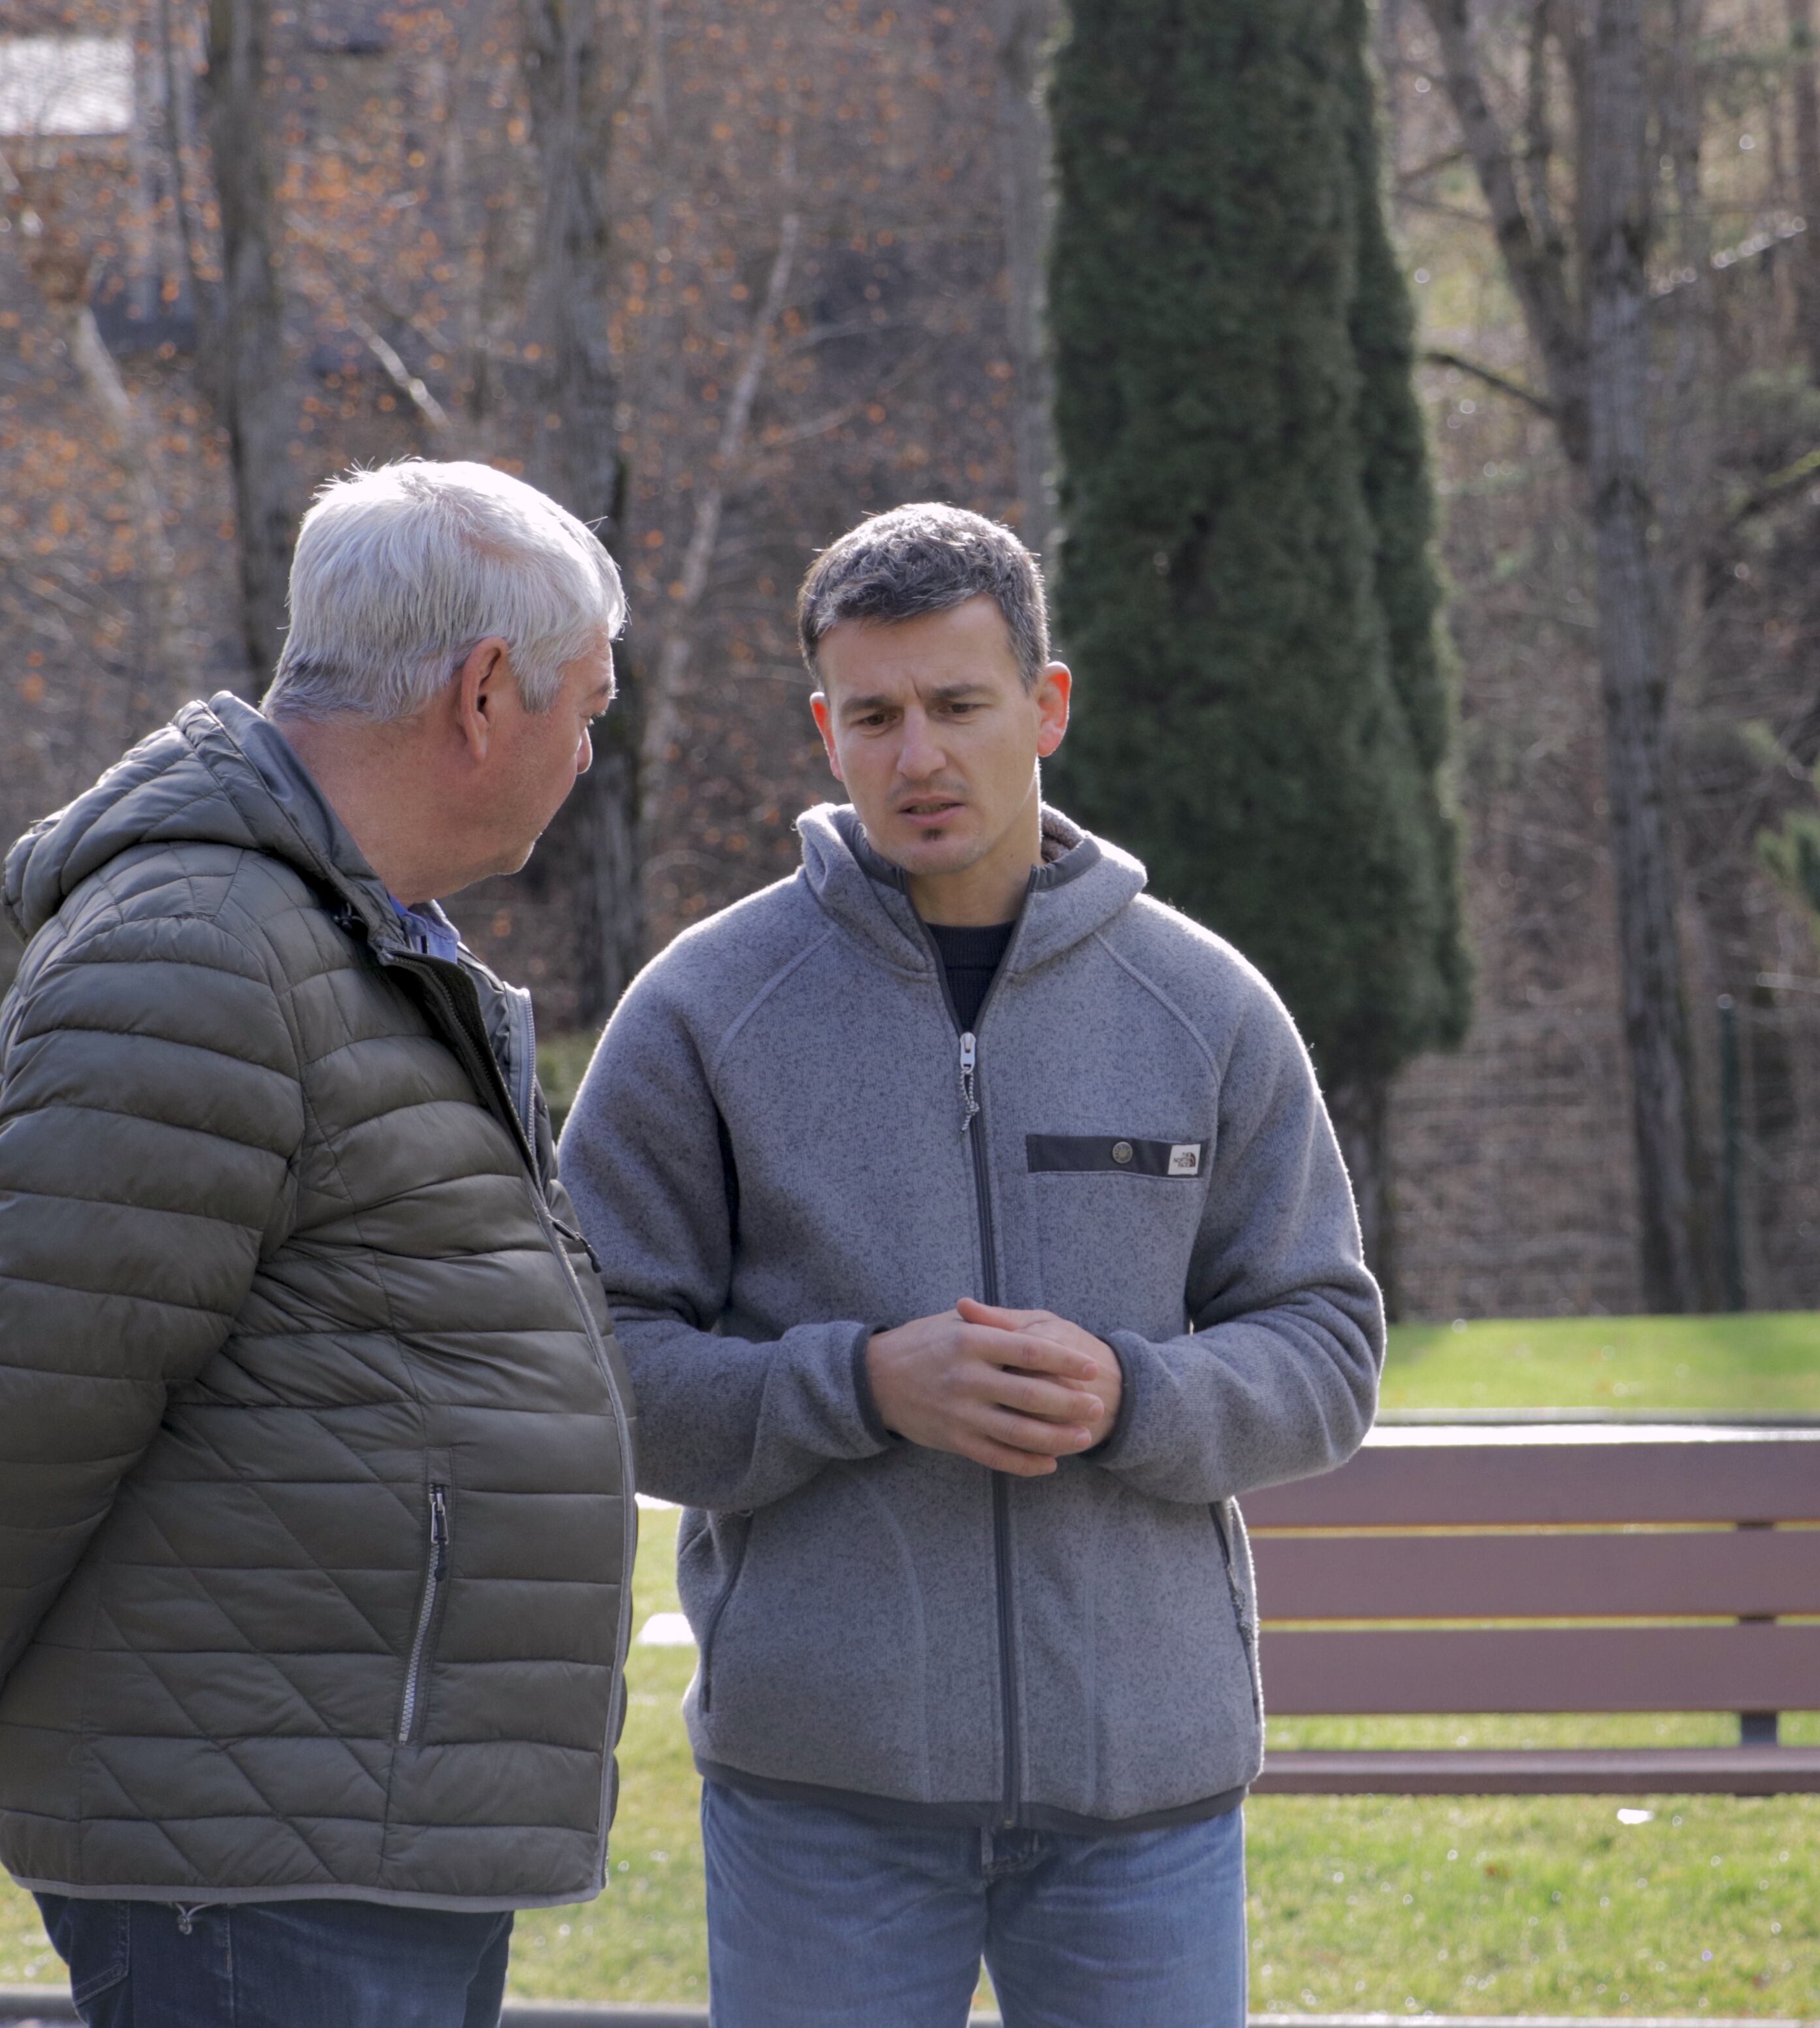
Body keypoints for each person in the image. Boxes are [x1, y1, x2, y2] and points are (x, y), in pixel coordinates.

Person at [559, 503, 1383, 2028]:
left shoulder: (1203, 1002)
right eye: (872, 715)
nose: (916, 755)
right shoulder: (703, 1010)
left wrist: (1138, 1392)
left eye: (957, 704)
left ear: (1046, 705)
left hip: (1145, 1783)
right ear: (825, 729)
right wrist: (859, 1383)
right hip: (823, 1784)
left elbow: (1326, 1346)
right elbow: (585, 1360)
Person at [0, 459, 638, 2028]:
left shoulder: (342, 941)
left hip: (345, 1821)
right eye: (587, 708)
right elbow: (28, 1386)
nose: (585, 756)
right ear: (485, 692)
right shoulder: (205, 947)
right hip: (258, 1855)